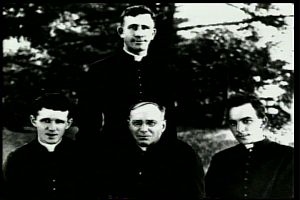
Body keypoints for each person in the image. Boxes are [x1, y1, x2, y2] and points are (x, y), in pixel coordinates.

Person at [77, 5, 190, 148]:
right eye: (133, 27)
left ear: (153, 33)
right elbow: (87, 121)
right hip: (114, 150)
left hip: (158, 152)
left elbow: (171, 119)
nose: (139, 33)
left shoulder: (166, 70)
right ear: (121, 32)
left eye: (145, 28)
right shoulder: (100, 70)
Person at [97, 101, 205, 199]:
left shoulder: (184, 157)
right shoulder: (116, 155)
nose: (143, 129)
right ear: (128, 124)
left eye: (151, 123)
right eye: (137, 123)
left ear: (163, 126)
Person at [205, 93, 294, 199]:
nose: (239, 129)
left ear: (263, 122)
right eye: (233, 123)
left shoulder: (288, 157)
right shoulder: (220, 159)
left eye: (246, 121)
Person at [3, 93, 88, 200]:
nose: (52, 128)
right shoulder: (17, 158)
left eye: (59, 121)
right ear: (34, 121)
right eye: (46, 121)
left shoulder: (83, 156)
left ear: (68, 123)